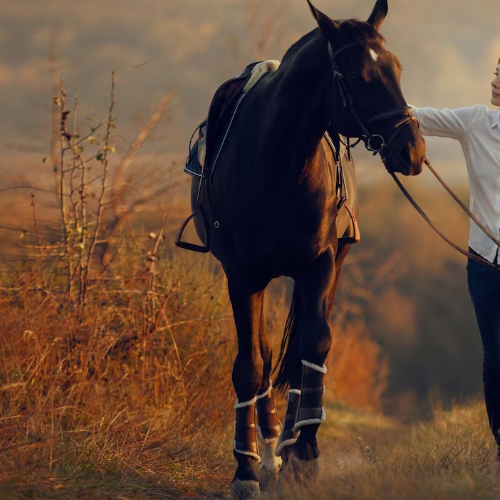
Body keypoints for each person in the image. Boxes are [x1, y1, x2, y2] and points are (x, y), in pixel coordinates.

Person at [411, 57, 500, 460]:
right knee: (495, 355)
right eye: (497, 71)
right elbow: (411, 116)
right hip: (483, 264)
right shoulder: (475, 122)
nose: (496, 80)